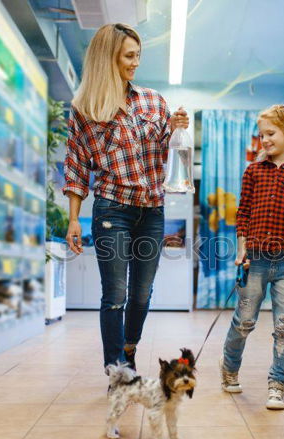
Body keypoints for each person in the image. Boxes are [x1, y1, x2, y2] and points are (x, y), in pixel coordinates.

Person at [63, 23, 189, 371]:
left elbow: (168, 151)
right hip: (111, 210)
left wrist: (177, 128)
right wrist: (74, 219)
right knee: (115, 294)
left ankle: (129, 348)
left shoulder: (152, 100)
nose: (136, 62)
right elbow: (75, 166)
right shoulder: (84, 107)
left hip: (151, 210)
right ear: (108, 58)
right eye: (129, 56)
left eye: (138, 55)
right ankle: (115, 368)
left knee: (142, 294)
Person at [219, 104, 284, 410]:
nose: (264, 140)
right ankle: (229, 368)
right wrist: (242, 250)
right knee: (244, 321)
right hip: (256, 260)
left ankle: (277, 384)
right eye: (261, 134)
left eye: (270, 133)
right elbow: (244, 214)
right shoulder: (253, 171)